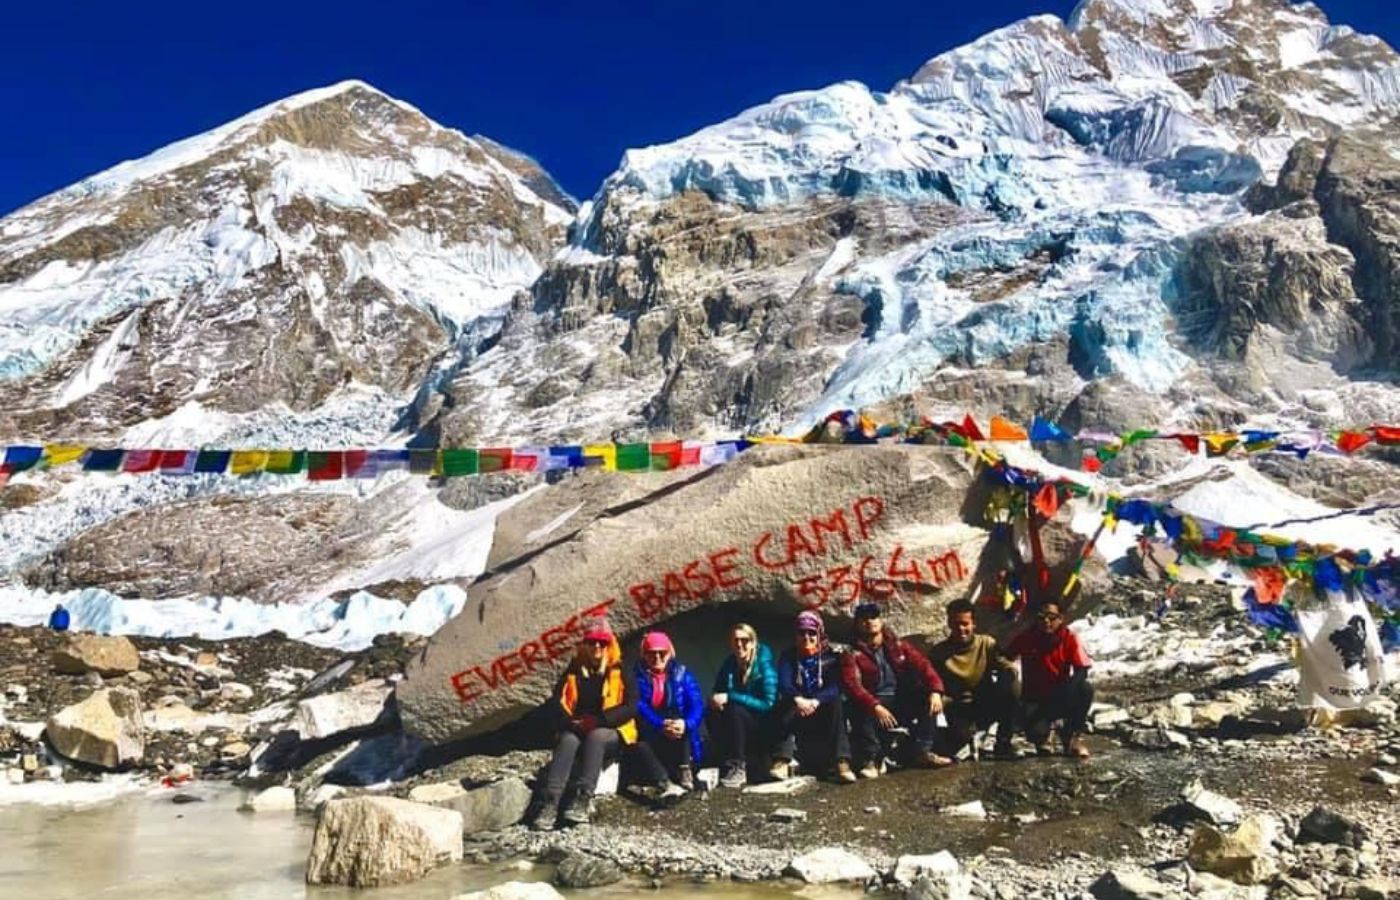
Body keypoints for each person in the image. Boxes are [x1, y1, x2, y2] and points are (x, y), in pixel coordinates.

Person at [530, 619, 639, 829]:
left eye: (602, 642)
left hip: (611, 730)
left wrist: (599, 720)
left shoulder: (620, 669)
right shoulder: (574, 669)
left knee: (596, 736)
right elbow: (557, 701)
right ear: (585, 644)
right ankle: (550, 803)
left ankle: (582, 798)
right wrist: (570, 723)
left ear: (610, 644)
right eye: (592, 642)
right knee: (568, 741)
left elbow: (631, 705)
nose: (597, 646)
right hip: (578, 727)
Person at [840, 599, 952, 777]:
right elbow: (852, 685)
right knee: (857, 706)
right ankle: (871, 759)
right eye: (864, 618)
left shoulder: (897, 645)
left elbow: (923, 666)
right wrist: (875, 706)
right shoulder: (851, 653)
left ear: (881, 620)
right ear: (857, 624)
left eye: (874, 617)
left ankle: (923, 751)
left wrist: (935, 691)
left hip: (899, 699)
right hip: (874, 701)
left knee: (927, 698)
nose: (869, 622)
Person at [929, 598, 1019, 760]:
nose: (961, 629)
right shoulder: (939, 653)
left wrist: (1005, 682)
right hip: (959, 707)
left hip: (986, 701)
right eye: (956, 624)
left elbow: (1008, 666)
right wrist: (942, 699)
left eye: (965, 624)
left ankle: (1004, 742)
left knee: (1014, 687)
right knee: (961, 741)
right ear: (949, 624)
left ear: (973, 624)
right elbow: (932, 682)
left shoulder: (987, 643)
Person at [1004, 600, 1094, 759]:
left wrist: (1069, 693)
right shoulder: (1026, 637)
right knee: (1039, 739)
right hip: (1034, 699)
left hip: (1060, 694)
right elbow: (1005, 656)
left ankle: (1072, 736)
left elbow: (1082, 669)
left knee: (1085, 688)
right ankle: (1043, 734)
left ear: (1061, 618)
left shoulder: (1069, 637)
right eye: (1041, 617)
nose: (1046, 621)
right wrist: (1008, 670)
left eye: (1052, 617)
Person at [773, 610, 855, 783]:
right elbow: (784, 683)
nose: (807, 637)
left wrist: (816, 700)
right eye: (801, 632)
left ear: (819, 634)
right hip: (799, 711)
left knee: (837, 703)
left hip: (821, 710)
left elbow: (836, 685)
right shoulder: (788, 656)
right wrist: (798, 699)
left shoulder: (832, 656)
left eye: (812, 633)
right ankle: (781, 760)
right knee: (784, 704)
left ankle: (842, 761)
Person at [632, 630, 703, 794]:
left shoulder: (682, 675)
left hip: (679, 736)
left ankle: (685, 769)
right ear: (644, 655)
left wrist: (686, 724)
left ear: (669, 653)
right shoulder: (636, 678)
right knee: (638, 744)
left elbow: (696, 704)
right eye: (651, 653)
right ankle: (664, 781)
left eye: (662, 653)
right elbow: (639, 705)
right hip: (652, 733)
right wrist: (659, 724)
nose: (657, 657)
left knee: (679, 719)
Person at [709, 622, 778, 788]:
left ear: (753, 642)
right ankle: (726, 760)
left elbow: (769, 704)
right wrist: (714, 700)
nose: (740, 644)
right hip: (738, 723)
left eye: (744, 640)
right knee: (712, 712)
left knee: (734, 710)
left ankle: (739, 767)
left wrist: (731, 697)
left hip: (762, 724)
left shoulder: (764, 666)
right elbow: (718, 689)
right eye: (735, 641)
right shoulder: (730, 664)